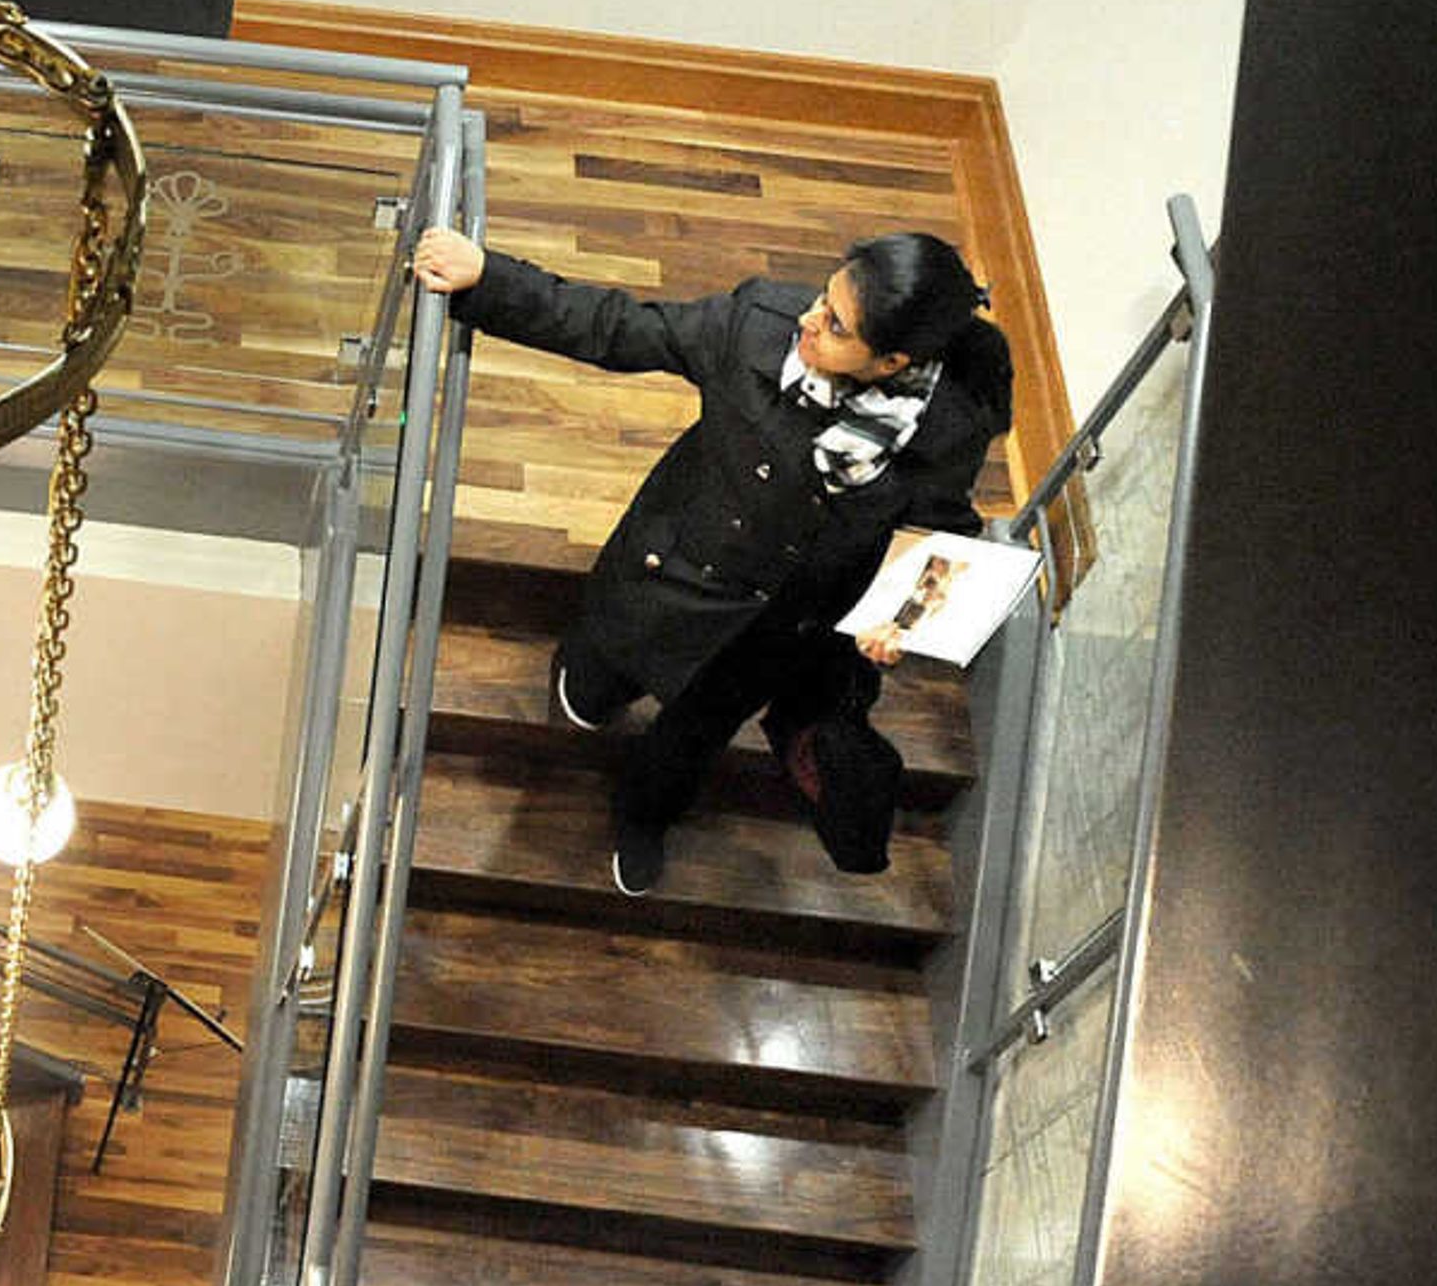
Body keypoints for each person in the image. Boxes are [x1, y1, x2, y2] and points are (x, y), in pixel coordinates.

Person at [407, 224, 1012, 894]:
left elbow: (940, 528)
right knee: (601, 659)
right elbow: (615, 327)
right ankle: (588, 683)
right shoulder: (755, 329)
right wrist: (488, 277)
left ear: (893, 361)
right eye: (820, 299)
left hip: (770, 625)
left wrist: (901, 619)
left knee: (690, 741)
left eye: (836, 326)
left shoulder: (949, 425)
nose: (808, 322)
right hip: (674, 554)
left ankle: (642, 817)